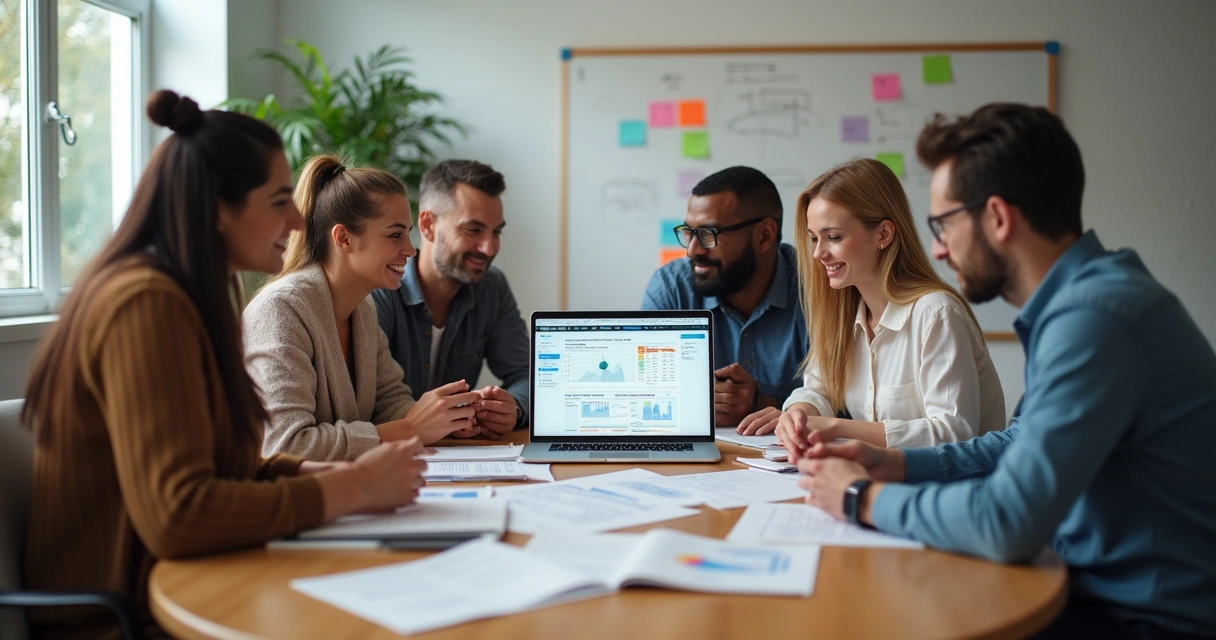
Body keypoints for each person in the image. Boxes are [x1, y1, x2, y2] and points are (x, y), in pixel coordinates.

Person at [797, 104, 1216, 638]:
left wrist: (859, 497)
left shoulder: (1097, 319)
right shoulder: (1087, 299)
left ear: (997, 217)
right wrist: (893, 464)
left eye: (944, 224)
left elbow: (1006, 522)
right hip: (1090, 587)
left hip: (1146, 617)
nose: (940, 248)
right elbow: (1012, 443)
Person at [20, 91, 428, 639]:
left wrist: (350, 476)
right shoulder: (145, 302)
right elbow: (178, 513)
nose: (295, 217)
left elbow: (230, 463)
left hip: (185, 579)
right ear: (217, 207)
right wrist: (351, 490)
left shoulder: (198, 293)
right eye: (278, 200)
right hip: (125, 615)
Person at [738, 158, 1005, 449]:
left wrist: (836, 427)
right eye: (814, 239)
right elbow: (818, 391)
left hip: (952, 490)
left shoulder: (936, 313)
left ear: (883, 234)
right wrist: (798, 415)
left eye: (834, 237)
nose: (818, 254)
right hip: (880, 481)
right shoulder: (841, 314)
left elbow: (954, 434)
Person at [245, 155, 482, 462]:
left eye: (408, 234)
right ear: (343, 238)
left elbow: (389, 403)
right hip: (282, 504)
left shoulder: (362, 309)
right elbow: (285, 445)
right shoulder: (280, 311)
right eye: (395, 235)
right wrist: (410, 428)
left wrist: (449, 419)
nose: (410, 250)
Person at [371, 160, 529, 440]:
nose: (489, 247)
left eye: (496, 232)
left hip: (461, 460)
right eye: (473, 230)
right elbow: (365, 403)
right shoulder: (380, 290)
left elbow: (528, 375)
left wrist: (513, 408)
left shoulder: (492, 286)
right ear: (428, 225)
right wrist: (443, 421)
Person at [641, 166, 807, 428]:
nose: (692, 250)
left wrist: (762, 402)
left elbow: (849, 408)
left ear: (764, 236)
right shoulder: (671, 290)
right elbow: (644, 396)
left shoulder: (818, 293)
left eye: (708, 234)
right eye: (688, 232)